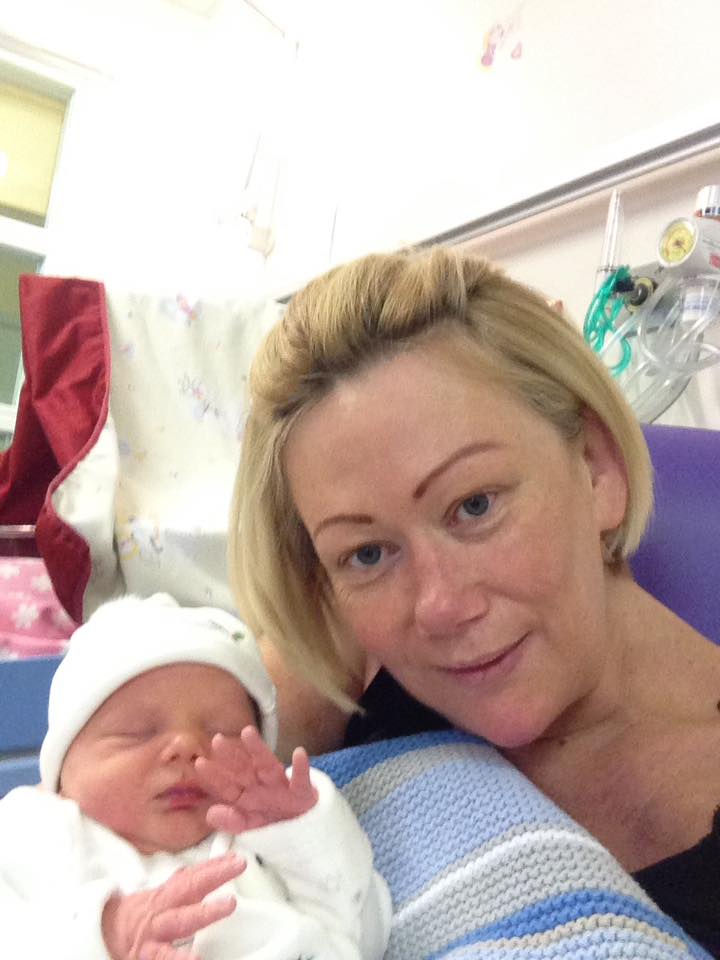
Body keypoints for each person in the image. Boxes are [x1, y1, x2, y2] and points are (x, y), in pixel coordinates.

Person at [229, 246, 720, 957]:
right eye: (366, 553)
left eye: (474, 505)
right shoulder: (352, 653)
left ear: (597, 470)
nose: (438, 606)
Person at [0, 593, 392, 960]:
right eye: (139, 732)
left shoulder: (264, 844)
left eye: (224, 732)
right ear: (62, 770)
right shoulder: (34, 831)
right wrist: (104, 933)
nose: (188, 747)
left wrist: (302, 835)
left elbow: (360, 935)